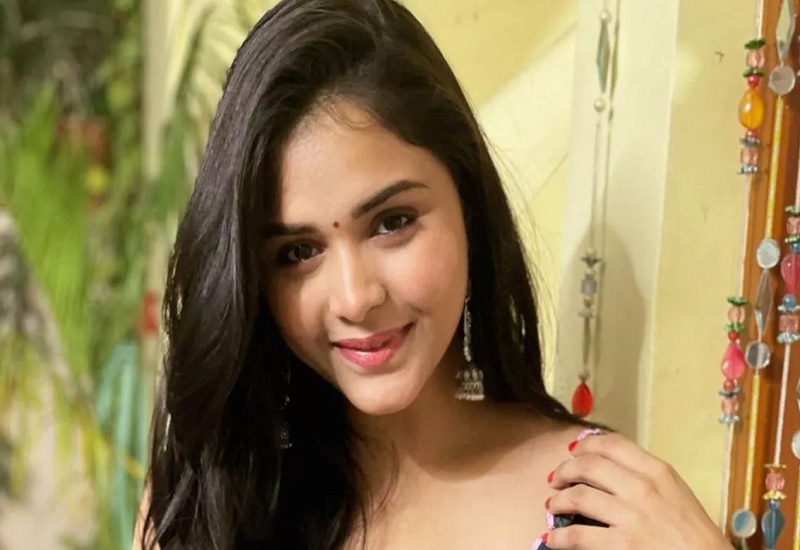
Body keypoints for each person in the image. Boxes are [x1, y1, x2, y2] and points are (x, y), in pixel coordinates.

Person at [134, 0, 731, 548]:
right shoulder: (212, 505)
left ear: (467, 203)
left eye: (392, 222)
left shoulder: (600, 511)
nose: (355, 298)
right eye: (298, 252)